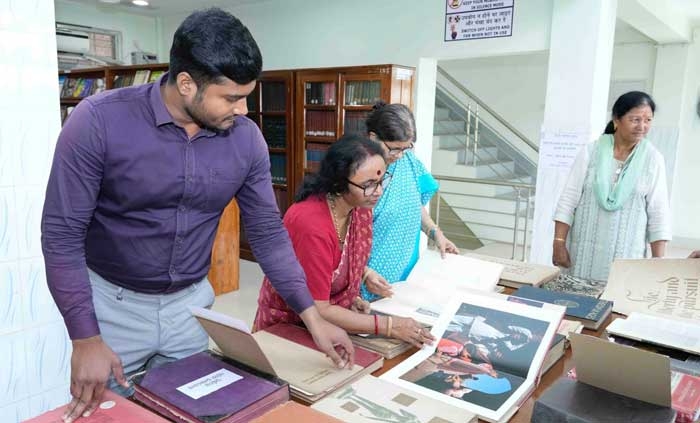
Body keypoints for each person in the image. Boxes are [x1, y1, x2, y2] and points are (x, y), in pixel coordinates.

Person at [41, 8, 353, 423]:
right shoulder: (98, 122)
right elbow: (61, 235)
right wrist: (84, 338)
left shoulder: (246, 141)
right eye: (231, 97)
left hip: (191, 307)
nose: (242, 110)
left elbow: (266, 233)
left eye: (246, 96)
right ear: (186, 83)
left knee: (195, 415)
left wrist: (312, 316)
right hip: (110, 308)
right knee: (111, 416)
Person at [254, 134, 434, 348]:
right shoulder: (310, 223)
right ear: (339, 182)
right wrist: (389, 326)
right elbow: (317, 308)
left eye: (382, 181)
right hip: (289, 328)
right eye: (368, 184)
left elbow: (339, 258)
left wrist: (360, 280)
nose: (378, 191)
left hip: (331, 327)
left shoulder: (360, 209)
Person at [552, 91, 671, 283]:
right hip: (582, 256)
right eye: (635, 119)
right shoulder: (590, 152)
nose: (642, 126)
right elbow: (568, 199)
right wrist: (558, 243)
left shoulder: (653, 159)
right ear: (617, 119)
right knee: (576, 307)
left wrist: (658, 261)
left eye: (648, 120)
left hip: (626, 258)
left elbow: (658, 213)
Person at [360, 102, 459, 301]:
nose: (400, 155)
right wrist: (363, 273)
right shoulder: (356, 170)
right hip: (367, 279)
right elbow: (338, 236)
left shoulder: (408, 162)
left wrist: (435, 233)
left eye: (407, 148)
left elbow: (413, 203)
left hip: (406, 277)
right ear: (373, 138)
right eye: (395, 149)